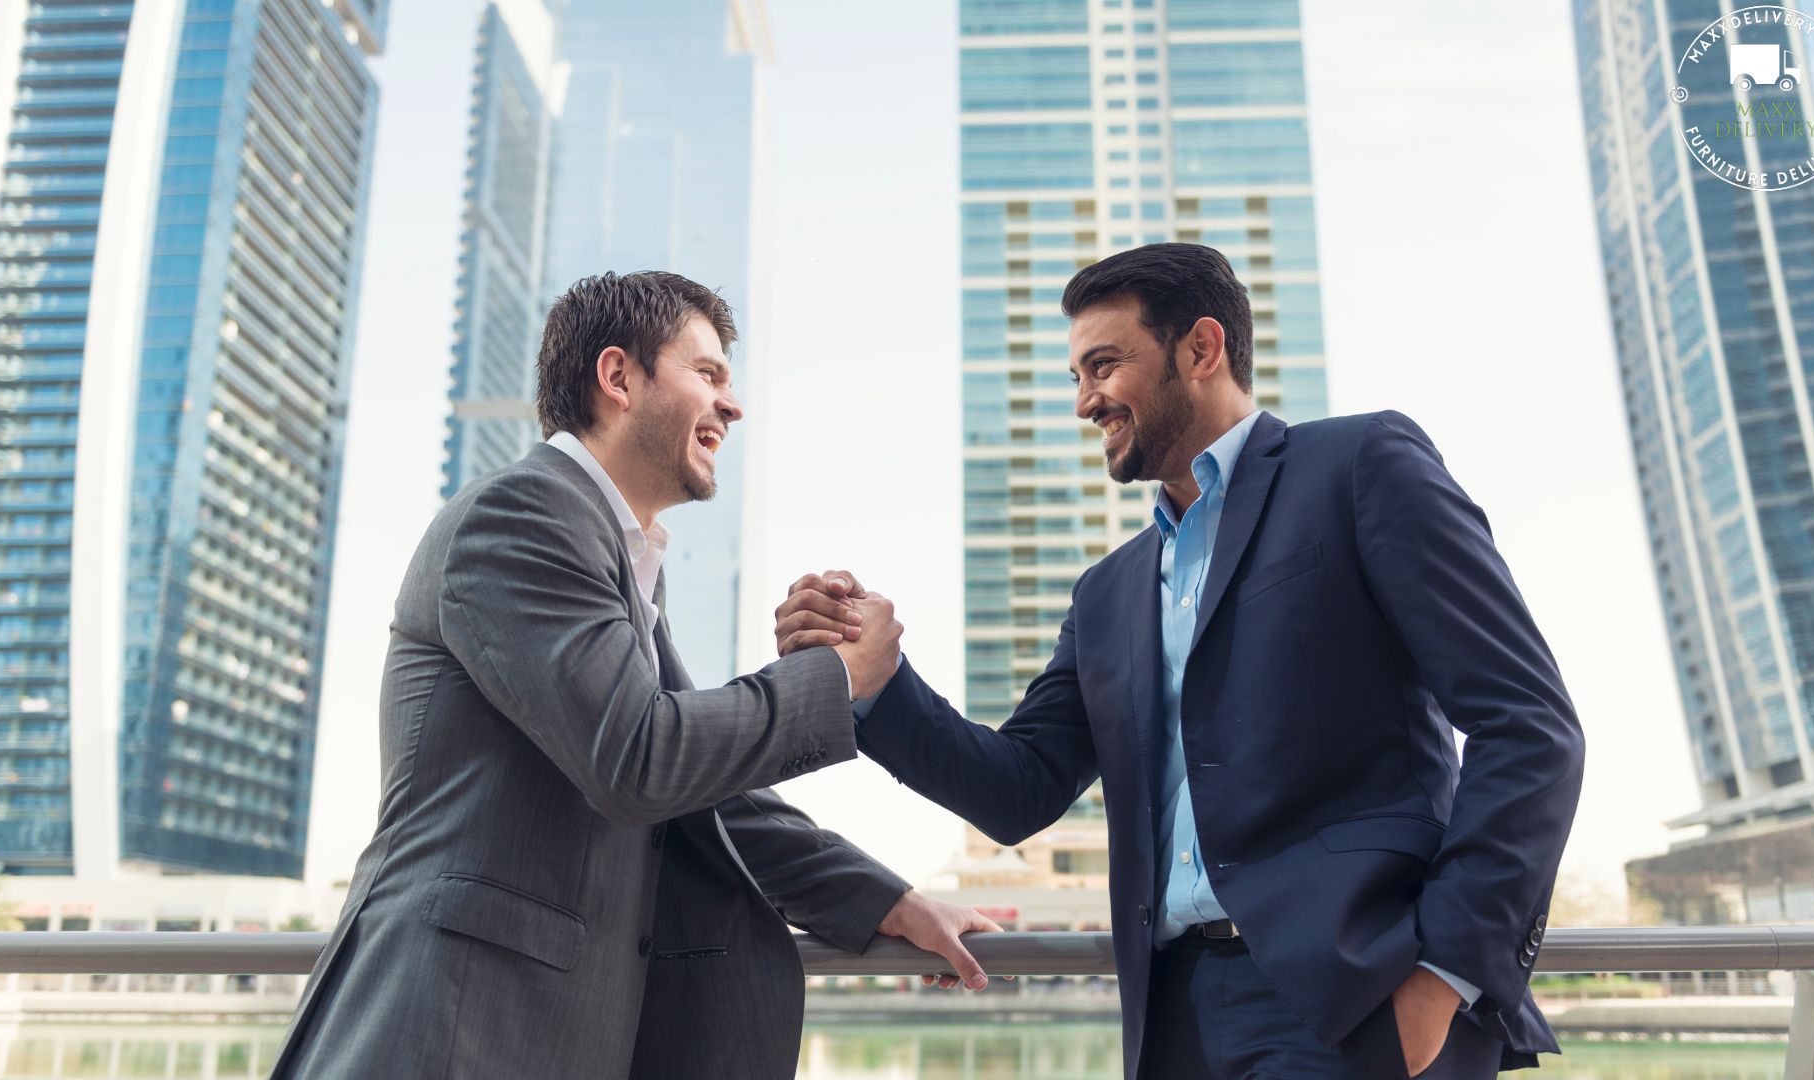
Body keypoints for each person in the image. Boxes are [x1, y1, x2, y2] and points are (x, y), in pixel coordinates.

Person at [774, 244, 1585, 1078]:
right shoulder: (1108, 593)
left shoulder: (1358, 467)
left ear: (1201, 349)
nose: (1086, 401)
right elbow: (1017, 788)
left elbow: (1529, 728)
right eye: (1076, 376)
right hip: (1173, 1019)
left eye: (1104, 365)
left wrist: (1444, 977)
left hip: (1354, 1003)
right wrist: (874, 683)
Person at [272, 271, 999, 1079]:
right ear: (618, 377)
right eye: (709, 374)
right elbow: (640, 758)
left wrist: (888, 904)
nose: (733, 405)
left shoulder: (621, 560)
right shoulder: (523, 517)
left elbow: (706, 797)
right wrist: (836, 679)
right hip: (451, 1028)